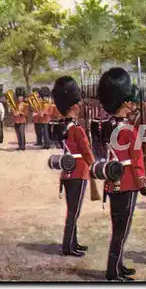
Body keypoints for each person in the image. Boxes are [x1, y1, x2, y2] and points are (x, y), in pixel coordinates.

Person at [97, 68, 146, 281]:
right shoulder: (130, 130)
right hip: (128, 182)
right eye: (130, 102)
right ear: (125, 103)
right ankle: (113, 271)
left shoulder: (105, 126)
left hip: (112, 182)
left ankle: (118, 265)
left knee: (118, 227)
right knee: (122, 230)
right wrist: (144, 185)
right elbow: (137, 163)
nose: (132, 105)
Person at [52, 76, 95, 257]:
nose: (80, 106)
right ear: (73, 106)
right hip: (79, 171)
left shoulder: (63, 126)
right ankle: (67, 246)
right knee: (74, 212)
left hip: (68, 172)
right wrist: (95, 166)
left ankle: (73, 242)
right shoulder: (77, 128)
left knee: (73, 210)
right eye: (78, 103)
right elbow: (86, 150)